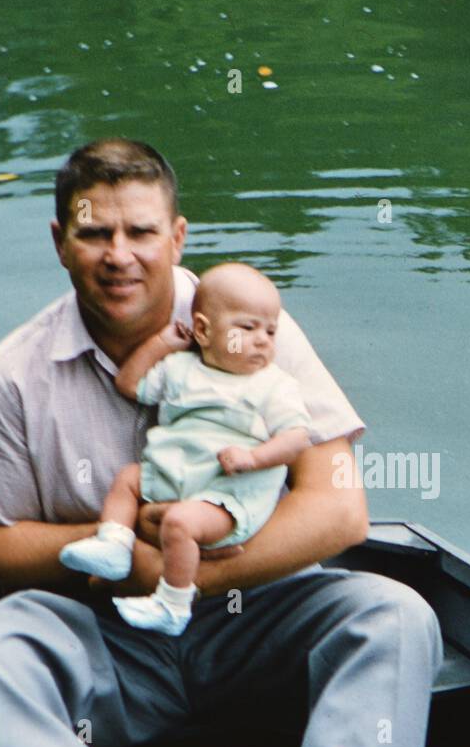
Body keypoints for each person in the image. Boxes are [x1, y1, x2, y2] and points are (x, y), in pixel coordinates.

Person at [0, 138, 443, 747]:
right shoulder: (13, 373)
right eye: (94, 234)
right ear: (59, 240)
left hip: (254, 624)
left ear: (177, 236)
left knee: (397, 616)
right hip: (110, 642)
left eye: (140, 232)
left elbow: (340, 505)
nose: (119, 255)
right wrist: (119, 565)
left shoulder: (254, 324)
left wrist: (198, 576)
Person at [59, 262, 312, 636]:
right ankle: (114, 543)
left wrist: (254, 458)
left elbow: (296, 438)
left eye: (271, 331)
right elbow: (129, 384)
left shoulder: (272, 386)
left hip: (228, 496)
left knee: (180, 523)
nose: (263, 340)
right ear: (204, 331)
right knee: (128, 479)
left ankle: (173, 604)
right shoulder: (180, 368)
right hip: (174, 478)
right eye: (247, 328)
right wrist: (162, 344)